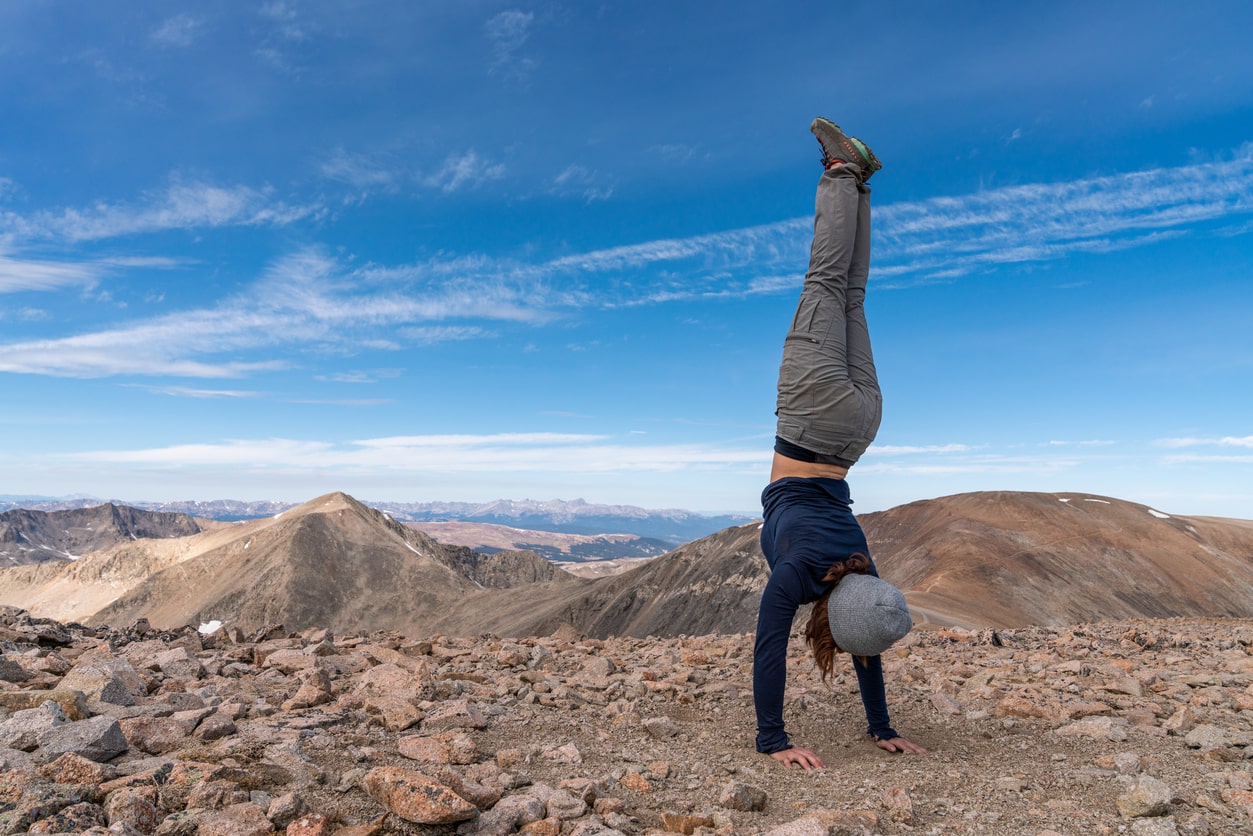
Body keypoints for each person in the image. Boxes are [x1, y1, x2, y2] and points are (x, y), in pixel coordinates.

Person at [753, 117, 927, 770]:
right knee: (823, 284)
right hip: (812, 421)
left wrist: (882, 725)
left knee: (851, 296)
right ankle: (840, 171)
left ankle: (860, 185)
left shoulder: (862, 569)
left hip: (859, 429)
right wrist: (772, 738)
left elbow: (870, 634)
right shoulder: (798, 576)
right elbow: (769, 649)